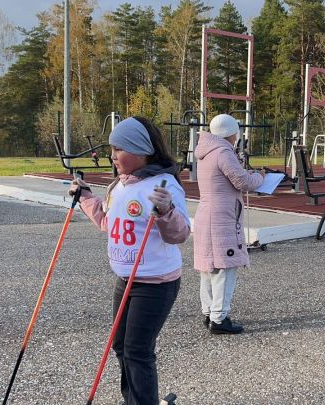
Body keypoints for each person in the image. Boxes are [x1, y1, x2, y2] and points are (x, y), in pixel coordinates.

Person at [69, 116, 191, 405]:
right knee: (121, 346)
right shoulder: (118, 186)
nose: (113, 156)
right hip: (125, 279)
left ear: (141, 151)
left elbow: (180, 233)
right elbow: (107, 222)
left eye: (119, 149)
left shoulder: (164, 186)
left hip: (156, 283)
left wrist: (166, 212)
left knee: (137, 350)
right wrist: (85, 196)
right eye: (112, 149)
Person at [193, 113, 264, 334]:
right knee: (226, 267)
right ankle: (219, 318)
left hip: (207, 213)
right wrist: (259, 177)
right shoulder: (223, 152)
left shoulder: (205, 151)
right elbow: (242, 181)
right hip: (222, 216)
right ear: (232, 132)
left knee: (208, 267)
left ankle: (209, 312)